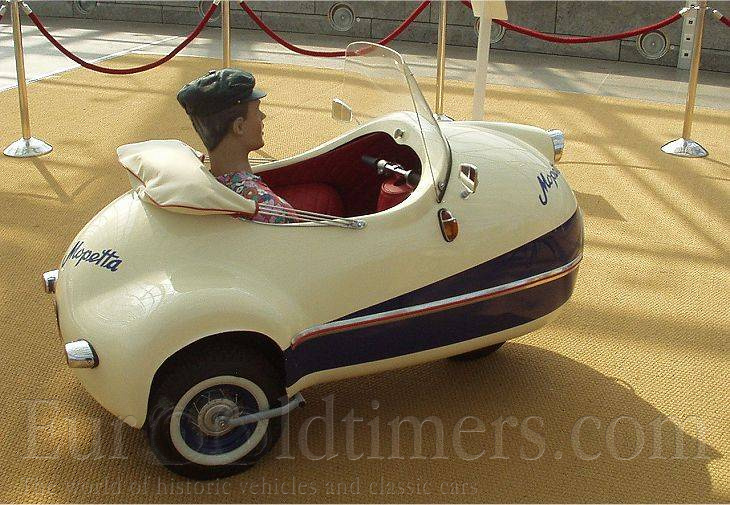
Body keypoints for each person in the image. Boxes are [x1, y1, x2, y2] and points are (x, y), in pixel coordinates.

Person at [176, 68, 294, 223]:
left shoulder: (204, 188)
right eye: (257, 110)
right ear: (239, 127)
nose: (263, 116)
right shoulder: (272, 208)